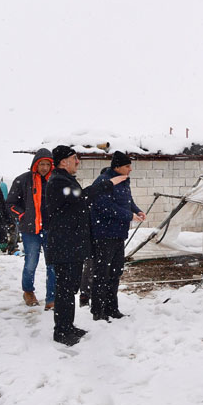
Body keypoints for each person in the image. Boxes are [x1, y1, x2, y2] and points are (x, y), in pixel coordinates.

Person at [45, 146, 127, 346]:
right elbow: (83, 197)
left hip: (71, 245)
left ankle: (68, 326)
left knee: (69, 288)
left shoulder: (64, 180)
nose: (78, 162)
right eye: (75, 158)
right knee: (65, 289)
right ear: (64, 162)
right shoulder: (58, 181)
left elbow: (80, 200)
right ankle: (61, 331)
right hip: (65, 246)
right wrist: (107, 184)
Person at [90, 151, 145, 321]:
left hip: (118, 233)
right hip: (104, 234)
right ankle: (98, 311)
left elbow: (127, 200)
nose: (130, 169)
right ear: (117, 167)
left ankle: (112, 307)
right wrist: (128, 216)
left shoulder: (123, 180)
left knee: (115, 272)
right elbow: (104, 206)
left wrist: (136, 210)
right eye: (127, 166)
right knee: (102, 273)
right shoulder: (104, 182)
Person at [6, 149, 56, 309]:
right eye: (41, 164)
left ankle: (52, 298)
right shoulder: (22, 180)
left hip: (51, 229)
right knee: (31, 262)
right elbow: (10, 204)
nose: (44, 167)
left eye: (47, 164)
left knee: (53, 265)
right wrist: (22, 215)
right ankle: (28, 291)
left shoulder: (55, 180)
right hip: (30, 230)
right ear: (35, 164)